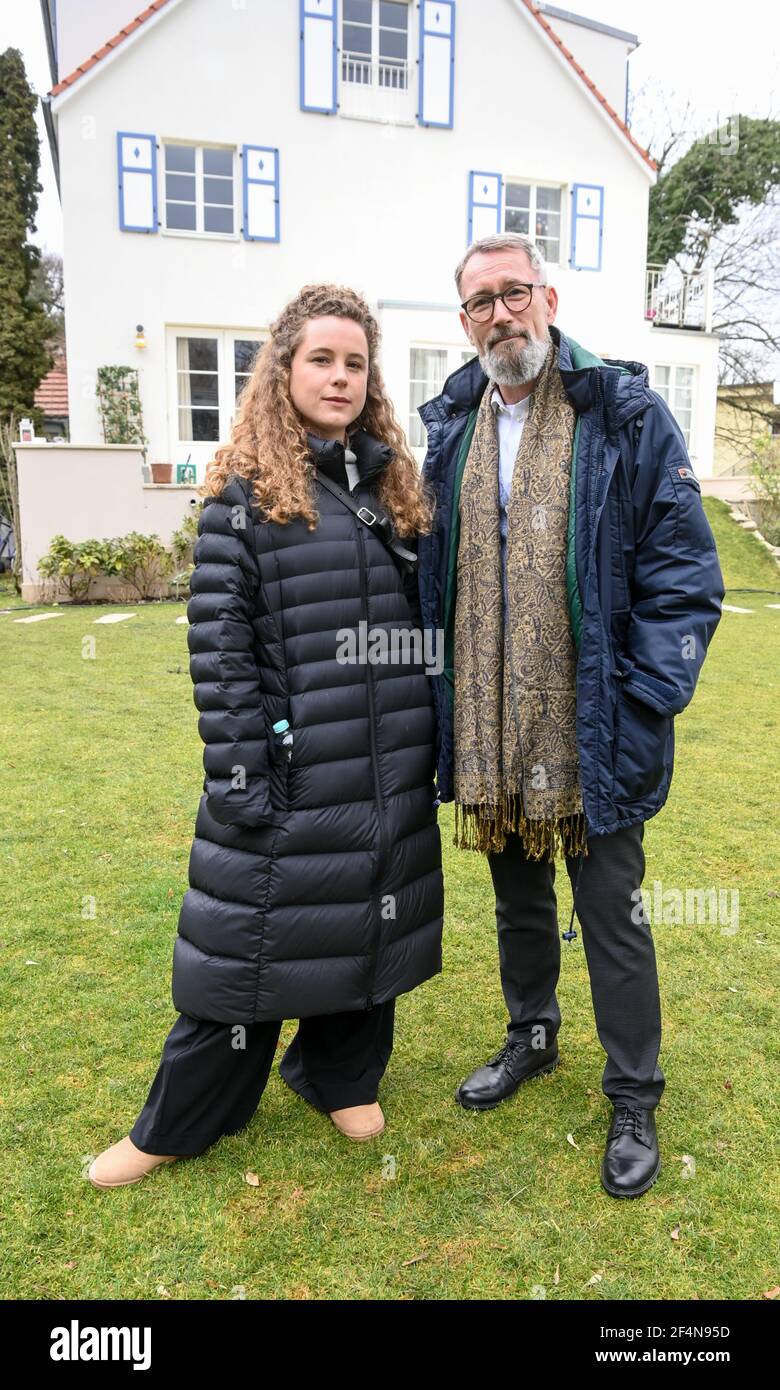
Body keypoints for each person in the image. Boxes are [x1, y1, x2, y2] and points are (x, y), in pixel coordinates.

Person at [89, 285, 444, 1188]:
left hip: (387, 766)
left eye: (355, 363)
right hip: (290, 766)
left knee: (371, 920)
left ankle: (339, 1077)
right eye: (321, 359)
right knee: (244, 946)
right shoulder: (243, 498)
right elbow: (219, 648)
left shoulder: (392, 489)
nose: (340, 377)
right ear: (283, 371)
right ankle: (174, 1125)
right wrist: (245, 769)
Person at [416, 232, 724, 1198]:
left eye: (516, 294)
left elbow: (685, 578)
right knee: (517, 897)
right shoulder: (455, 429)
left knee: (614, 914)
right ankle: (531, 1035)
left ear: (549, 297)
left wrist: (644, 696)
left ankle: (634, 1091)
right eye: (481, 303)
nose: (501, 315)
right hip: (491, 718)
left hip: (594, 723)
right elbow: (434, 573)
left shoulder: (625, 416)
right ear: (462, 321)